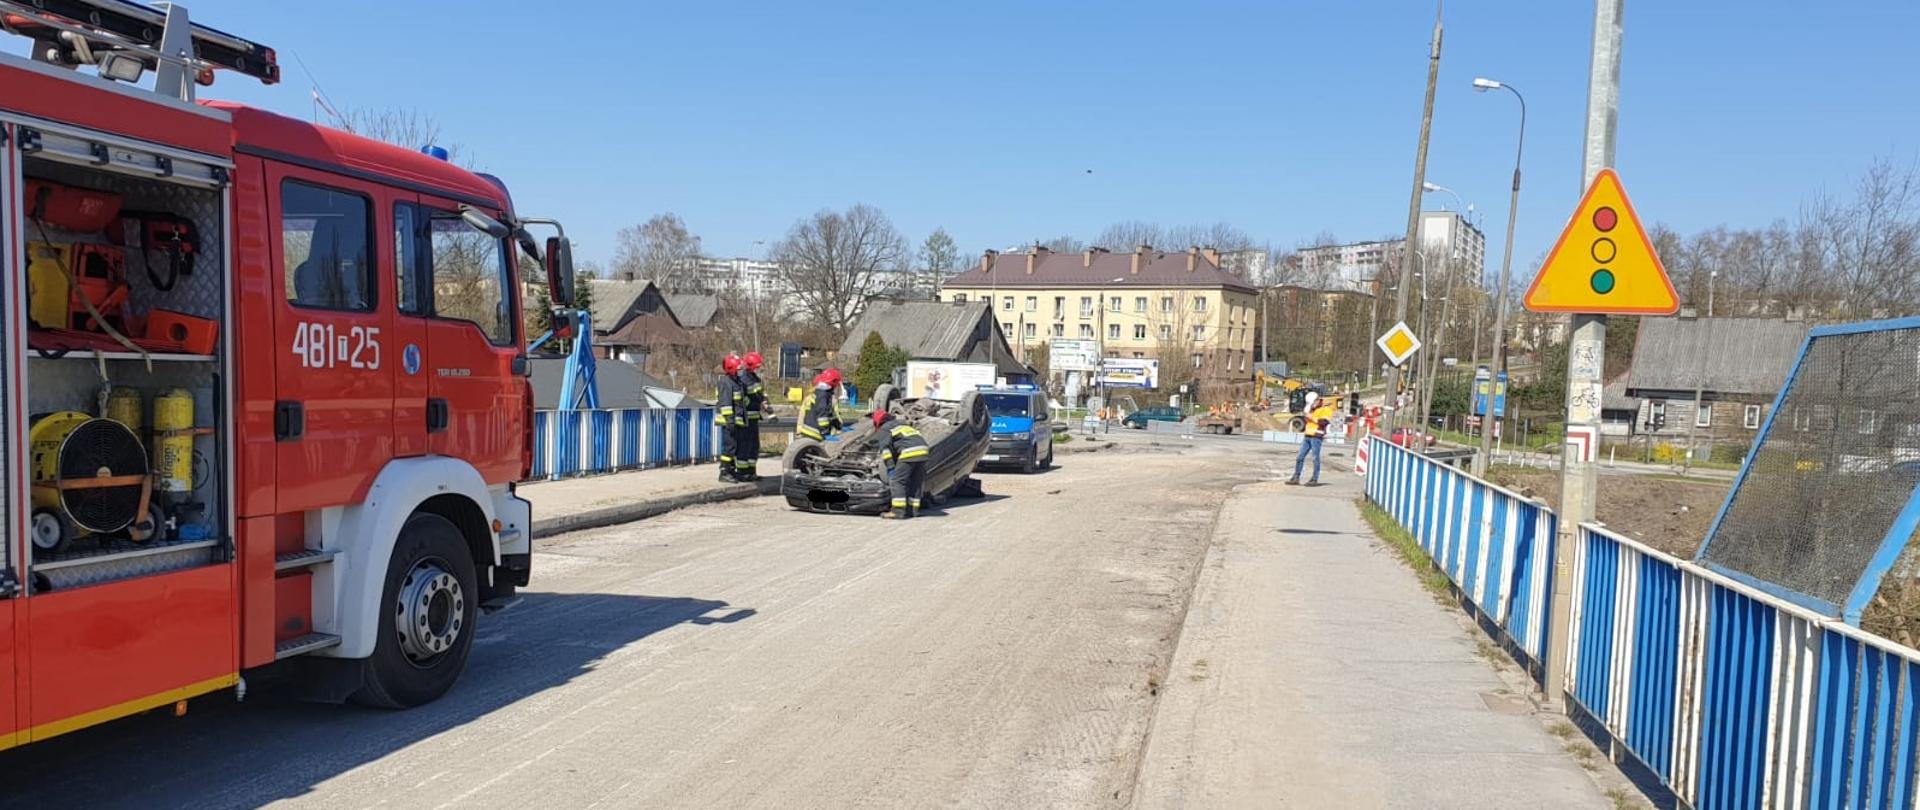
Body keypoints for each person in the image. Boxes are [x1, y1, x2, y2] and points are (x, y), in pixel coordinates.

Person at [873, 408, 930, 519]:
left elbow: (885, 450)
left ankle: (898, 511)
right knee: (915, 482)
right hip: (923, 451)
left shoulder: (885, 428)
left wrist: (890, 467)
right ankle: (913, 510)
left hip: (910, 452)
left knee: (898, 481)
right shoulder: (903, 425)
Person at [1287, 396, 1338, 486]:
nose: (1312, 404)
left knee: (1315, 458)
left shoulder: (1325, 409)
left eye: (1313, 402)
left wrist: (1312, 417)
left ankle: (1314, 479)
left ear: (1318, 400)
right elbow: (1308, 421)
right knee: (1300, 457)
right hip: (1308, 435)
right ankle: (1296, 477)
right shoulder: (1312, 409)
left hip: (1316, 436)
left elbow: (1324, 422)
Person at [714, 353, 747, 482]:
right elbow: (726, 404)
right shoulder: (726, 382)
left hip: (735, 421)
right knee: (729, 447)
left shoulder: (735, 382)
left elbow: (739, 402)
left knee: (734, 447)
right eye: (738, 369)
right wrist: (730, 421)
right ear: (731, 369)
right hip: (728, 421)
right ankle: (724, 472)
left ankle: (731, 470)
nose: (741, 371)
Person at [738, 351, 769, 481]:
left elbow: (758, 394)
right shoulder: (744, 378)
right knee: (745, 446)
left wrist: (763, 402)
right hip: (746, 418)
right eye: (756, 366)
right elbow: (742, 398)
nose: (758, 368)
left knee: (754, 446)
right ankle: (743, 473)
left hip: (754, 417)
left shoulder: (753, 377)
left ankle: (751, 472)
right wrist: (756, 402)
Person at [796, 368, 844, 441]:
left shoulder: (820, 393)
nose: (836, 387)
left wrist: (838, 426)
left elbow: (830, 414)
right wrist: (824, 432)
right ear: (833, 382)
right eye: (836, 384)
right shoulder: (823, 395)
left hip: (809, 430)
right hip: (815, 433)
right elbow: (822, 416)